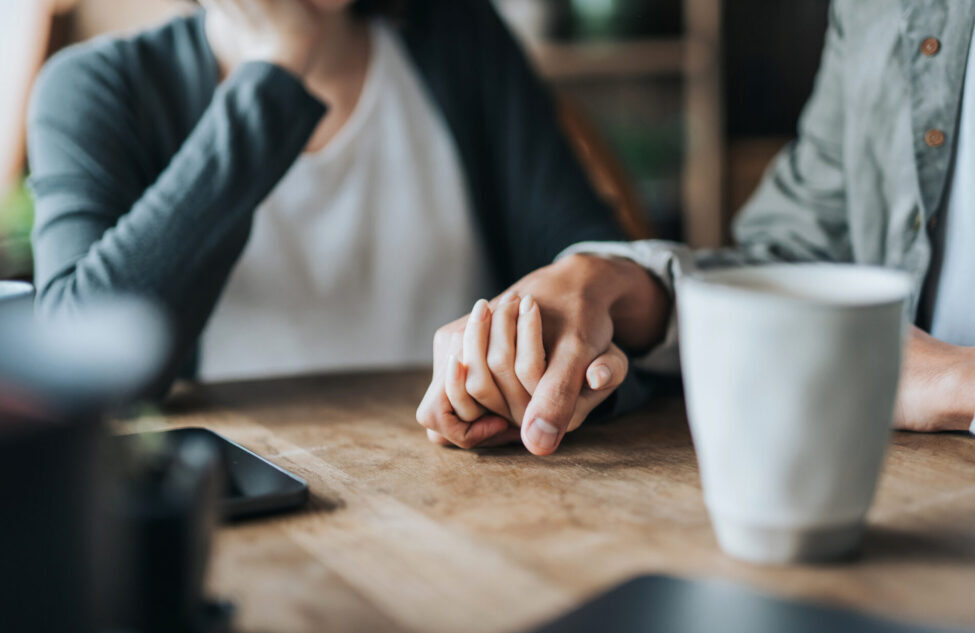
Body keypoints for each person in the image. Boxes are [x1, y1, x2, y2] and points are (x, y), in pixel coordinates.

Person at [27, 0, 669, 417]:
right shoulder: (94, 87)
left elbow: (586, 258)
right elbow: (84, 361)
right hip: (237, 505)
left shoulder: (458, 38)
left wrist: (550, 361)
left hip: (472, 472)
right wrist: (276, 71)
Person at [419, 0, 975, 453]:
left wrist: (958, 380)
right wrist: (633, 291)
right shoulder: (879, 10)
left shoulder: (454, 36)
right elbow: (790, 260)